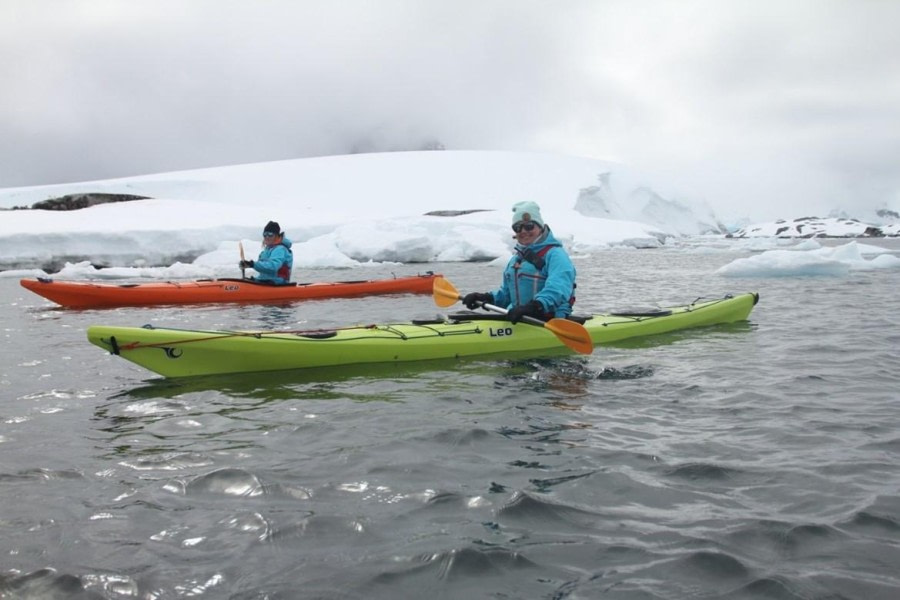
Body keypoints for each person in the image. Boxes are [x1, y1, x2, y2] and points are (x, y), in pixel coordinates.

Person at [463, 201, 576, 323]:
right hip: (521, 318)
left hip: (550, 320)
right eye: (518, 227)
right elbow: (506, 296)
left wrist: (535, 306)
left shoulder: (556, 255)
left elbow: (558, 288)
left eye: (529, 226)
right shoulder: (516, 259)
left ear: (540, 227)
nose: (523, 231)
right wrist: (485, 298)